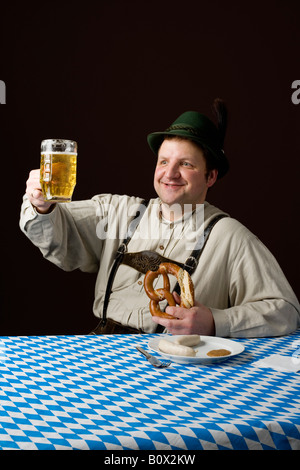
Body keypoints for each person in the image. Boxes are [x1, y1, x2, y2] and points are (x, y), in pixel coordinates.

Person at [19, 100, 300, 337]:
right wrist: (42, 205)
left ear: (210, 176)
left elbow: (286, 312)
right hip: (100, 355)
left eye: (186, 164)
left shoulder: (230, 237)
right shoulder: (117, 211)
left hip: (176, 373)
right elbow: (59, 232)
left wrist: (215, 322)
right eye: (164, 161)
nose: (170, 173)